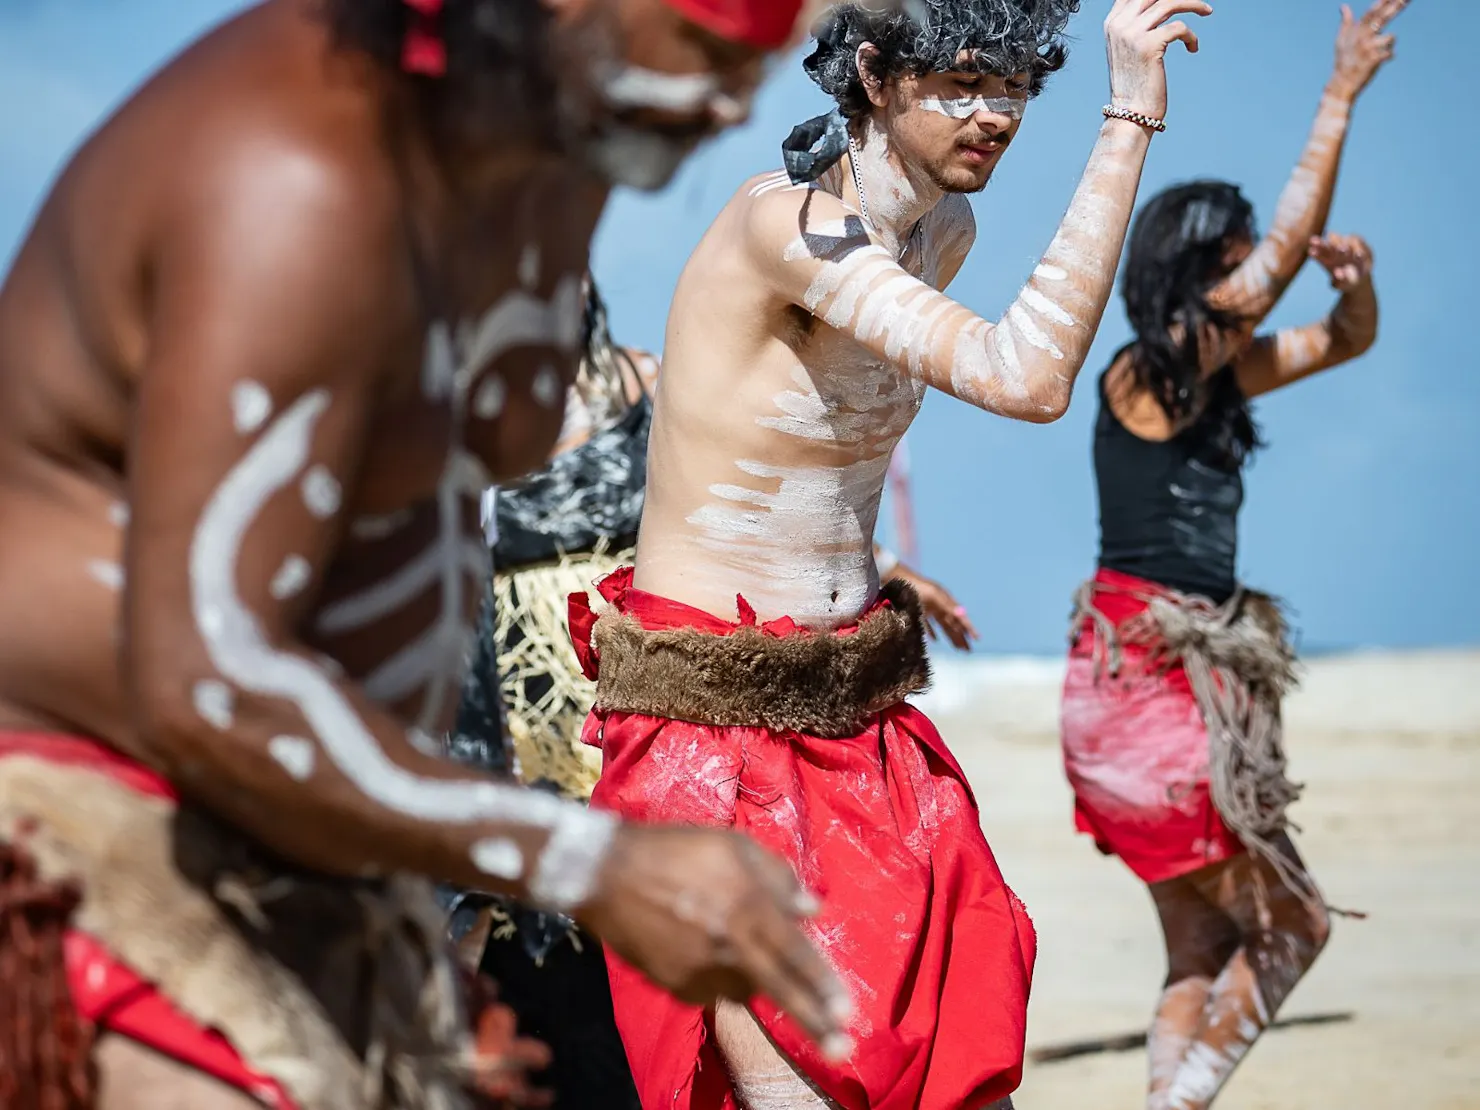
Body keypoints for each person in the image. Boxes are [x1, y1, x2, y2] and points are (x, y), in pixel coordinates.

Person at [0, 0, 861, 1106]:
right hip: (91, 808)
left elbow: (480, 437)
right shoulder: (299, 180)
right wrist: (586, 861)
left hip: (321, 839)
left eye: (756, 61)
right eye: (703, 53)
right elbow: (204, 678)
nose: (732, 103)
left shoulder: (541, 141)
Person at [568, 0, 1213, 1106]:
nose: (994, 115)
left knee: (961, 1069)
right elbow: (1027, 378)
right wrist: (1127, 121)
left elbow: (802, 431)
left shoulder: (938, 236)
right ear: (872, 75)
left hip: (859, 713)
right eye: (962, 82)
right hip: (711, 733)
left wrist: (865, 570)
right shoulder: (787, 227)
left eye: (1014, 88)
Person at [445, 276, 978, 1108]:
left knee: (651, 1013)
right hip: (519, 750)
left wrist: (892, 569)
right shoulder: (458, 426)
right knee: (544, 1021)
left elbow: (761, 491)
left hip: (647, 722)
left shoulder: (651, 384)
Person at [1057, 3, 1402, 1107]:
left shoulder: (1211, 380)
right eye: (1238, 266)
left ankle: (1171, 1097)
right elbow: (1265, 290)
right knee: (1295, 922)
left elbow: (1341, 340)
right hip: (1151, 688)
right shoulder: (1148, 376)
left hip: (1124, 693)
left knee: (1199, 951)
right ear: (1191, 275)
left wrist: (1355, 290)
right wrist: (1338, 98)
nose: (1254, 283)